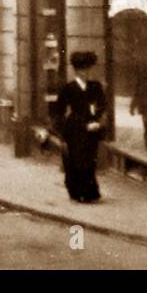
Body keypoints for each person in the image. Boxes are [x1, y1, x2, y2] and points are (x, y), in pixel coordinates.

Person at [53, 51, 108, 203]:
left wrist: (98, 121)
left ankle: (90, 192)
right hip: (75, 129)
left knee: (90, 160)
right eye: (82, 70)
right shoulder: (69, 88)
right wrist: (62, 130)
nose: (86, 73)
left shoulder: (95, 87)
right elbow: (59, 110)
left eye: (88, 69)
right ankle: (77, 191)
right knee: (77, 160)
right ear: (76, 71)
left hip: (92, 128)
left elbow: (102, 105)